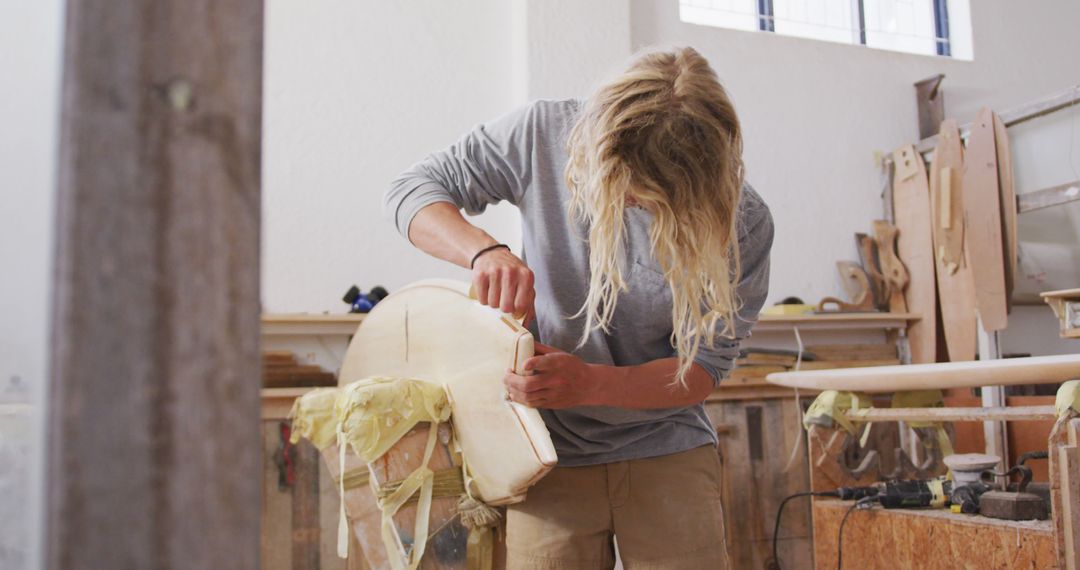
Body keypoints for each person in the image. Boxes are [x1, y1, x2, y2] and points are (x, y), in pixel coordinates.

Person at [384, 46, 773, 570]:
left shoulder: (741, 221)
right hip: (543, 455)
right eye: (624, 189)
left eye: (650, 198)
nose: (632, 204)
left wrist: (589, 383)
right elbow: (411, 191)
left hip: (667, 449)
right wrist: (483, 250)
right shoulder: (543, 132)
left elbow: (702, 369)